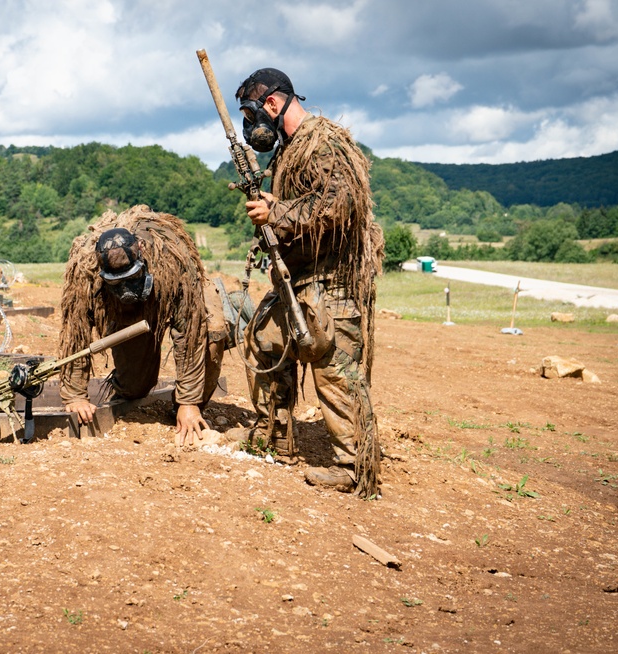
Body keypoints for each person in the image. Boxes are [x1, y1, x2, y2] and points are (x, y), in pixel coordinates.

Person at [227, 68, 384, 498]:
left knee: (333, 366)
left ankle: (354, 466)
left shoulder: (323, 141)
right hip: (296, 278)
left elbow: (339, 204)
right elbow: (305, 202)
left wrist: (276, 213)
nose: (249, 127)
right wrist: (275, 205)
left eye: (250, 115)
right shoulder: (288, 152)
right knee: (265, 340)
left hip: (331, 280)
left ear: (272, 106)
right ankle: (276, 439)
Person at [59, 205, 227, 446]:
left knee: (213, 332)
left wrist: (189, 402)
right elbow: (75, 333)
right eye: (118, 282)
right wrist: (75, 395)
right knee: (135, 387)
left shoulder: (170, 259)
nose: (126, 289)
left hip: (184, 296)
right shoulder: (85, 270)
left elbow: (189, 332)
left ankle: (190, 408)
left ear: (141, 252)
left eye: (130, 279)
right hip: (125, 312)